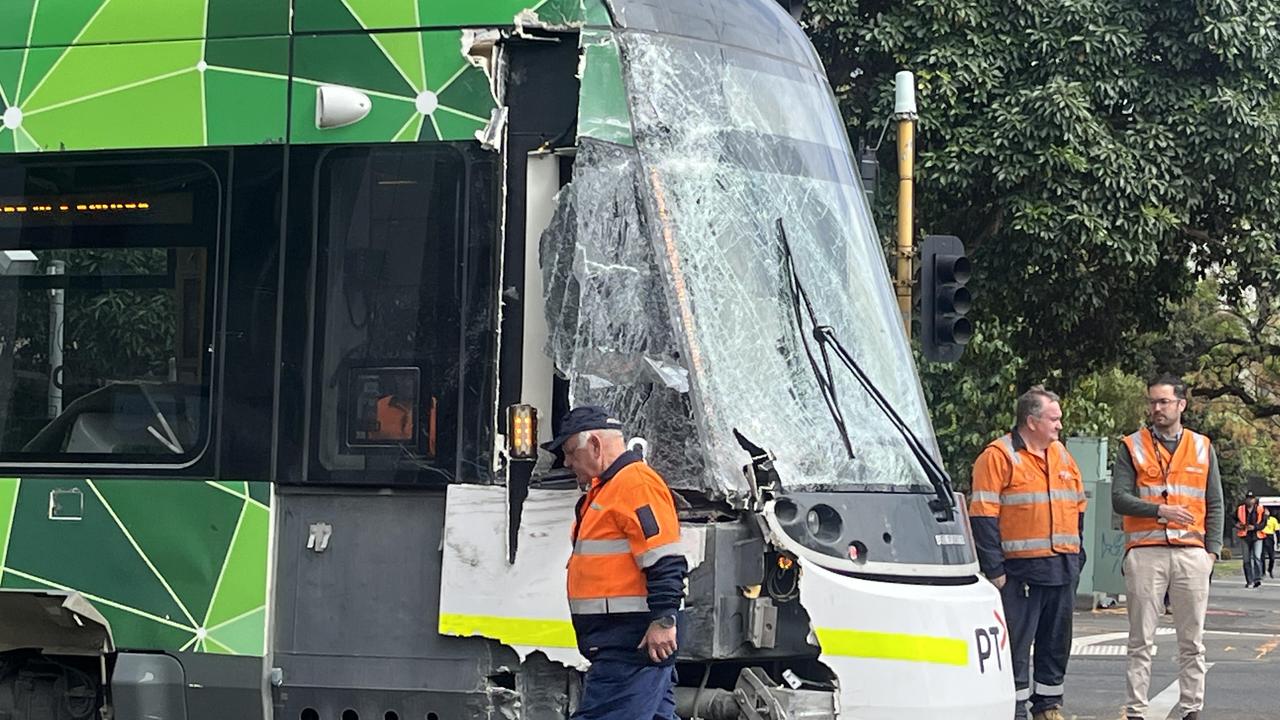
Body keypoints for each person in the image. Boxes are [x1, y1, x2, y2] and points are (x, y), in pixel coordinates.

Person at [542, 406, 688, 720]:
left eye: (570, 452)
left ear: (594, 444)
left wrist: (664, 620)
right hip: (628, 642)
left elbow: (664, 559)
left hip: (631, 645)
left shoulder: (634, 486)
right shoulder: (608, 490)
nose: (566, 463)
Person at [969, 386, 1087, 720]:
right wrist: (994, 569)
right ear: (1032, 421)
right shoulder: (998, 456)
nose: (1060, 425)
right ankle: (1014, 709)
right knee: (1017, 646)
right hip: (1020, 571)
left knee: (1055, 643)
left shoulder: (1061, 455)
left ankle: (1048, 707)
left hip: (1062, 566)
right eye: (1054, 418)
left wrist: (1078, 555)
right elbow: (983, 514)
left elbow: (1078, 505)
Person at [1113, 374, 1224, 720]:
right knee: (1140, 640)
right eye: (1152, 402)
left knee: (1192, 641)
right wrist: (1159, 510)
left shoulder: (1203, 446)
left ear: (1181, 405)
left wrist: (1212, 553)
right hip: (1146, 551)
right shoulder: (1131, 445)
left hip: (1191, 553)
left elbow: (1215, 502)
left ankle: (1192, 708)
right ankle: (1136, 710)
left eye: (1163, 402)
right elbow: (1119, 498)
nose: (1156, 409)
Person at [1235, 491, 1267, 588]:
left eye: (1251, 498)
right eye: (1248, 498)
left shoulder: (1260, 509)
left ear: (1255, 499)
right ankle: (1249, 580)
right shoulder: (1240, 509)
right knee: (1246, 559)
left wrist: (1255, 527)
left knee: (1257, 557)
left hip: (1257, 536)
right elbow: (1232, 518)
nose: (1250, 500)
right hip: (1244, 536)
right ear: (1246, 499)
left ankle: (1257, 579)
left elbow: (1264, 523)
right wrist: (1236, 525)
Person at [1263, 507, 1279, 579]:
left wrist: (1278, 541)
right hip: (1262, 536)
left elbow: (1277, 531)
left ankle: (1270, 570)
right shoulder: (1261, 519)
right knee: (1261, 556)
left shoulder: (1273, 520)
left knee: (1272, 557)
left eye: (1267, 511)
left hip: (1270, 537)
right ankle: (1262, 572)